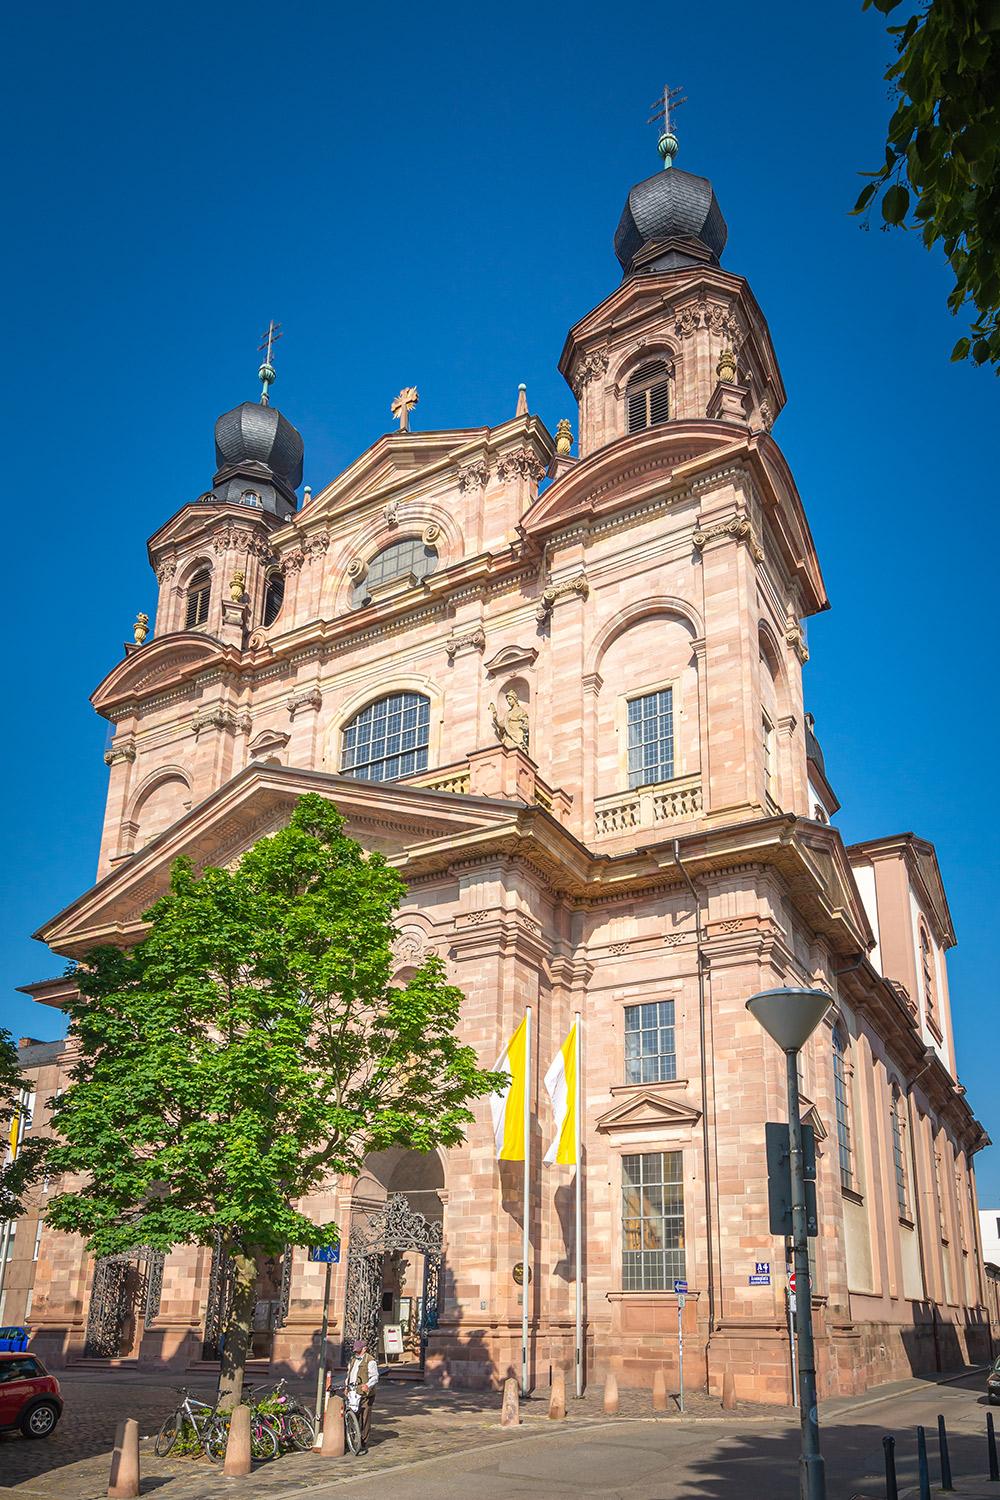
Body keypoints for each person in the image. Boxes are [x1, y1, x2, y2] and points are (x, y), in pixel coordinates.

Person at [329, 1337, 379, 1454]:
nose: (356, 1351)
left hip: (366, 1393)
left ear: (365, 1349)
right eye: (355, 1350)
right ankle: (351, 1439)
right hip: (353, 1392)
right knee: (353, 1415)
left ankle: (363, 1442)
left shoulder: (370, 1361)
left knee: (365, 1417)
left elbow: (375, 1377)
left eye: (358, 1350)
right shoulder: (352, 1360)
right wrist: (346, 1387)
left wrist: (368, 1385)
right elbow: (349, 1375)